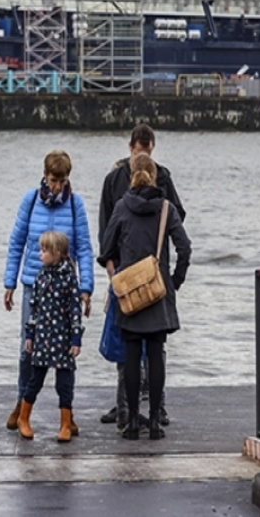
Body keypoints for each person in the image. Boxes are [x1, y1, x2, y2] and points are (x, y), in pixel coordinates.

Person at [98, 123, 186, 429]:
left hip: (126, 278)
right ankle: (149, 415)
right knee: (155, 351)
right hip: (155, 280)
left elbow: (105, 235)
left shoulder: (122, 198)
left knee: (130, 350)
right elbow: (182, 236)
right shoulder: (162, 197)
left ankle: (131, 415)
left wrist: (113, 272)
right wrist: (173, 278)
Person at [3, 149, 94, 435]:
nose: (57, 186)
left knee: (67, 352)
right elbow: (17, 242)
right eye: (54, 180)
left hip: (66, 285)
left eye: (62, 180)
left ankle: (68, 414)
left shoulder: (75, 205)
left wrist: (86, 288)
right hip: (34, 283)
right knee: (27, 349)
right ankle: (22, 403)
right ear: (45, 176)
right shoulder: (30, 201)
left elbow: (84, 247)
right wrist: (10, 282)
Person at [18, 231, 83, 443]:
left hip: (62, 338)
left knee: (64, 382)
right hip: (42, 337)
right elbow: (33, 307)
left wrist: (76, 338)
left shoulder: (69, 277)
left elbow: (75, 309)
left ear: (57, 253)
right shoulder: (41, 275)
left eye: (44, 251)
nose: (40, 254)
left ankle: (66, 422)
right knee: (35, 378)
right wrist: (30, 334)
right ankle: (23, 417)